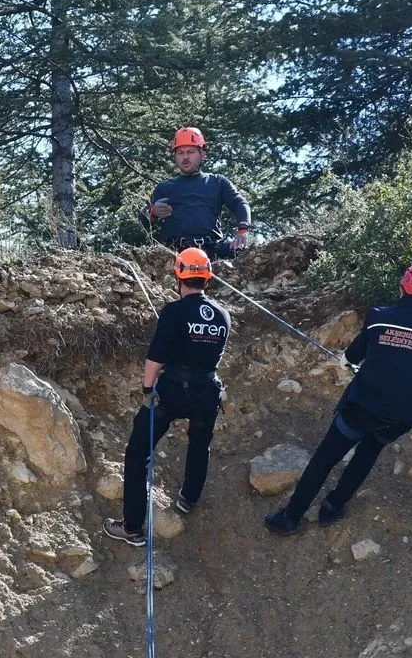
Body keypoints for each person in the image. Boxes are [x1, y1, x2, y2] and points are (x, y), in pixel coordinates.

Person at [264, 265, 412, 535]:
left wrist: (346, 360)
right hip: (400, 417)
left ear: (403, 287)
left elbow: (352, 355)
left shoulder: (379, 317)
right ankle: (332, 507)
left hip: (362, 407)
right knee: (368, 452)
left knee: (326, 457)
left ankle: (290, 517)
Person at [104, 248, 231, 546]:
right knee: (199, 444)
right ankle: (188, 498)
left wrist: (148, 390)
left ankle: (132, 527)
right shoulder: (223, 315)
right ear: (207, 279)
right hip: (207, 390)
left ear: (179, 276)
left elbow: (156, 357)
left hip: (173, 389)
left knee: (138, 453)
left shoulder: (174, 312)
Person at [140, 127, 251, 258]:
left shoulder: (218, 182)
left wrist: (242, 230)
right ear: (174, 156)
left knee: (244, 253)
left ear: (202, 153)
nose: (185, 157)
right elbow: (142, 221)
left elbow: (240, 203)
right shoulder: (164, 187)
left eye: (190, 152)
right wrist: (153, 212)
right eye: (180, 153)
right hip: (174, 253)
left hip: (211, 250)